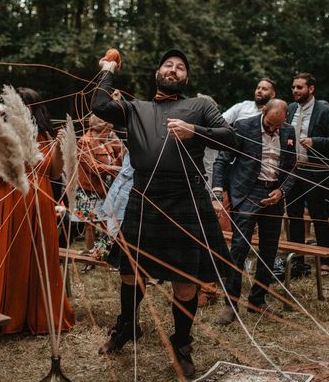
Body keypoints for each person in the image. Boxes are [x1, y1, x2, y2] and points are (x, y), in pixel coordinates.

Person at [92, 48, 236, 378]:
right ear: (157, 72)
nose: (173, 70)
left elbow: (231, 140)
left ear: (186, 77)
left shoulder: (201, 106)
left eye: (180, 67)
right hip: (144, 196)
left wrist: (194, 131)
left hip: (186, 197)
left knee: (185, 282)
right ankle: (127, 326)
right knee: (130, 272)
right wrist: (107, 70)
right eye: (168, 65)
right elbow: (99, 105)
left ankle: (182, 343)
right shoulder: (135, 109)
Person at [0, 88, 75, 336]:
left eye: (26, 106)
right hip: (8, 201)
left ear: (34, 107)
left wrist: (58, 147)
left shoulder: (45, 134)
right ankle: (10, 318)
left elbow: (54, 173)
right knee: (13, 257)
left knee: (42, 259)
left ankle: (43, 316)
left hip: (41, 202)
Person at [212, 99, 297, 324]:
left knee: (269, 250)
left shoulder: (288, 131)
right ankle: (231, 304)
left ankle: (257, 301)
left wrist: (281, 191)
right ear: (263, 111)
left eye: (277, 126)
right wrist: (218, 194)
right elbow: (222, 160)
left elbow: (292, 167)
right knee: (239, 248)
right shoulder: (242, 126)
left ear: (285, 118)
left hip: (274, 195)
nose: (272, 130)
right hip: (247, 192)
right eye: (269, 124)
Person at [286, 73, 329, 276]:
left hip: (314, 169)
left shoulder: (325, 111)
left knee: (318, 215)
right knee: (294, 215)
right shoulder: (289, 109)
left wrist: (315, 141)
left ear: (311, 89)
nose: (296, 91)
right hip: (291, 169)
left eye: (300, 87)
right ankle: (298, 259)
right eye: (294, 87)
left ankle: (325, 258)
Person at [76, 114, 123, 252]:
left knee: (106, 224)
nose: (110, 134)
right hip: (88, 191)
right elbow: (92, 167)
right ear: (100, 130)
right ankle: (91, 256)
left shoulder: (105, 142)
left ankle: (102, 254)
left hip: (105, 190)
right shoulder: (84, 142)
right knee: (90, 226)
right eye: (108, 131)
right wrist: (112, 168)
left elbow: (119, 154)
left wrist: (119, 157)